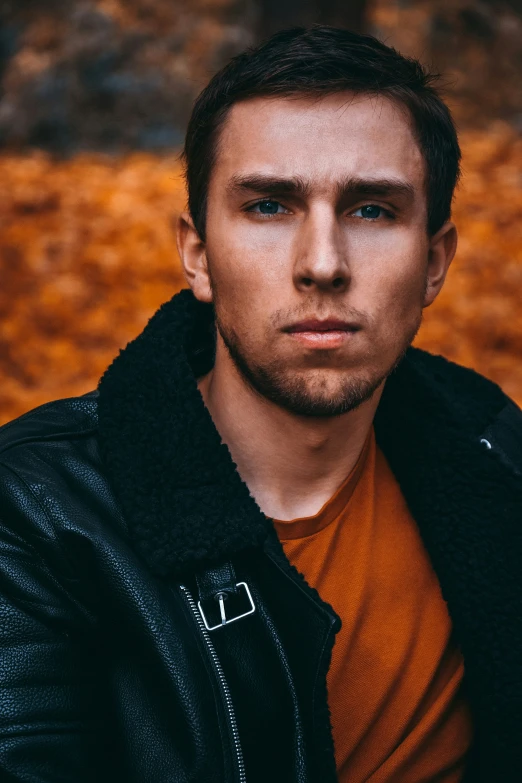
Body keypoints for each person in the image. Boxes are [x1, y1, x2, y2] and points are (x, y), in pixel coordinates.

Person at [0, 25, 521, 783]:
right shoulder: (41, 511)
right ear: (198, 254)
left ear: (434, 262)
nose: (321, 264)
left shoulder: (494, 454)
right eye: (270, 206)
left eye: (372, 209)